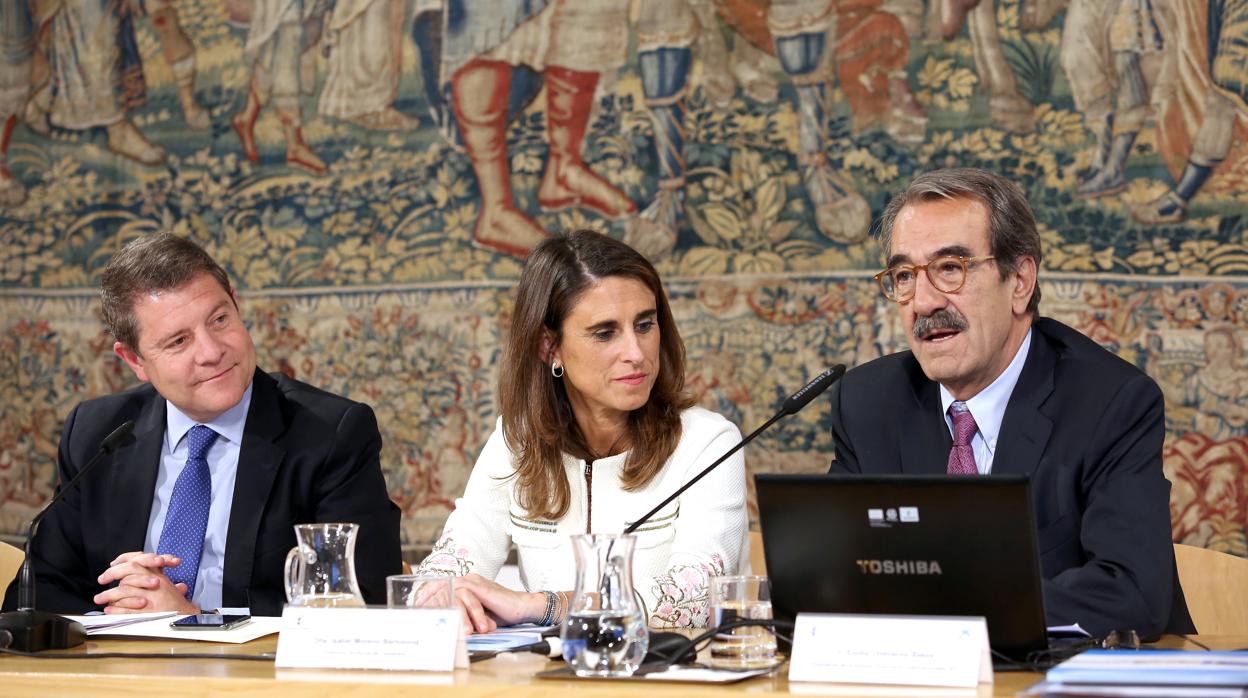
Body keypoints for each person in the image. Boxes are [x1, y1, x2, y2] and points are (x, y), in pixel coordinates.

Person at [827, 168, 1194, 639]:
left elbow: (1132, 591)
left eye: (950, 268)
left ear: (1019, 281)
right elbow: (839, 575)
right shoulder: (868, 402)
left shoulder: (1110, 402)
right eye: (903, 276)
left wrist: (959, 611)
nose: (921, 302)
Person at [2, 233, 402, 616]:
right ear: (135, 361)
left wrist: (196, 617)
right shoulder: (96, 432)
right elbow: (40, 593)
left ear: (237, 307)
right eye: (178, 341)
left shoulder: (330, 433)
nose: (212, 352)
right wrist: (128, 608)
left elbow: (360, 600)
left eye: (219, 319)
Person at [416, 229, 748, 632]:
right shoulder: (517, 440)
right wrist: (449, 595)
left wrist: (543, 606)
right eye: (605, 333)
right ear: (548, 346)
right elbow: (445, 569)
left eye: (645, 325)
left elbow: (695, 597)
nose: (636, 353)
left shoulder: (708, 442)